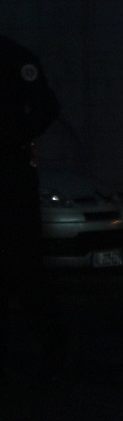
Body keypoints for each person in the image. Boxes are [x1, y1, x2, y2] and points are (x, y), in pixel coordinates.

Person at [0, 35, 66, 382]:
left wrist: (13, 138)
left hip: (10, 174)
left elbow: (46, 107)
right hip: (12, 170)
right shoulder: (16, 56)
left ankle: (54, 353)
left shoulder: (14, 57)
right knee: (26, 268)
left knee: (26, 267)